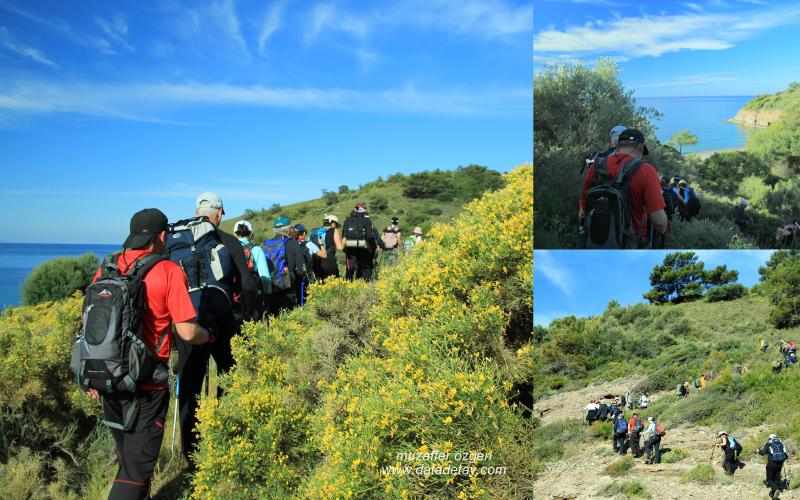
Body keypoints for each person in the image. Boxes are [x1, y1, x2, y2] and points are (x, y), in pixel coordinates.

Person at [85, 208, 214, 499]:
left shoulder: (107, 266)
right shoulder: (168, 270)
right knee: (136, 470)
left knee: (128, 458)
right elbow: (187, 332)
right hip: (146, 384)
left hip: (107, 377)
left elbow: (91, 322)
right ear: (162, 236)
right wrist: (209, 336)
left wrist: (91, 371)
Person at [171, 192, 257, 469]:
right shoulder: (228, 241)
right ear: (219, 214)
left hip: (187, 325)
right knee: (229, 379)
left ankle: (192, 456)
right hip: (223, 324)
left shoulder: (174, 242)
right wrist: (249, 313)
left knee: (190, 388)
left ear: (196, 211)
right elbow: (247, 283)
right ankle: (227, 438)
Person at [579, 128, 668, 249]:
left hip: (595, 241)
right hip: (630, 244)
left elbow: (582, 210)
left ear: (617, 146)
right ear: (641, 148)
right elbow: (660, 224)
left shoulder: (596, 166)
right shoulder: (646, 170)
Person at [263, 217, 305, 313]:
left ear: (274, 231)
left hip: (272, 287)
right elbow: (301, 270)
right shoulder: (293, 243)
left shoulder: (267, 244)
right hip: (288, 288)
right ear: (289, 229)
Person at [233, 220, 271, 318]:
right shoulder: (256, 249)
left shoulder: (228, 250)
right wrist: (267, 293)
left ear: (234, 234)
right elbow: (265, 276)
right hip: (254, 293)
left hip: (235, 294)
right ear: (251, 234)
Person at [342, 202, 383, 281]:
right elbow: (370, 237)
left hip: (350, 249)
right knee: (365, 268)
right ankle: (365, 284)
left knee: (350, 269)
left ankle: (348, 284)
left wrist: (345, 250)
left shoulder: (348, 220)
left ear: (355, 209)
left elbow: (344, 236)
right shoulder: (367, 220)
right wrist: (373, 249)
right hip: (363, 248)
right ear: (364, 210)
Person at [293, 223, 326, 305]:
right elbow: (324, 255)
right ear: (304, 233)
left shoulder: (290, 244)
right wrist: (321, 244)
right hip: (308, 275)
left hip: (294, 275)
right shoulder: (309, 244)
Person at [757, 433, 788, 498]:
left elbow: (763, 453)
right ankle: (775, 493)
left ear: (770, 438)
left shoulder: (769, 443)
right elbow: (786, 456)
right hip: (780, 462)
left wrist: (758, 451)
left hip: (772, 462)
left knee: (769, 479)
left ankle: (775, 489)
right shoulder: (780, 443)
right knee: (777, 477)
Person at [315, 214, 344, 280]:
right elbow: (340, 247)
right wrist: (344, 240)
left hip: (317, 262)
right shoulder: (333, 230)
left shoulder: (317, 232)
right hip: (329, 261)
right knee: (334, 284)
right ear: (333, 223)